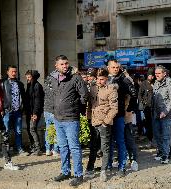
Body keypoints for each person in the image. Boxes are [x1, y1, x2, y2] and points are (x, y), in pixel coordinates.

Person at [50, 55, 88, 187]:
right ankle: (65, 171)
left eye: (66, 63)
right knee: (63, 147)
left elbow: (85, 95)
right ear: (56, 66)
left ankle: (78, 175)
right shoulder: (53, 78)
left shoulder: (75, 77)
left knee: (74, 147)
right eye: (62, 64)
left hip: (71, 118)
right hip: (58, 119)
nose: (65, 66)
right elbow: (52, 96)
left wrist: (77, 107)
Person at [86, 68, 118, 182]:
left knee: (105, 147)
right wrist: (88, 118)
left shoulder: (111, 89)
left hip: (104, 122)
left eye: (102, 79)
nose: (99, 81)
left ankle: (104, 170)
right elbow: (90, 104)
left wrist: (106, 122)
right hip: (93, 121)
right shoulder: (93, 87)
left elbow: (114, 109)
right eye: (98, 79)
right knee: (93, 147)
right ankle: (90, 169)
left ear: (106, 79)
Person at [107, 59, 137, 177]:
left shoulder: (123, 80)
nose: (115, 69)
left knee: (121, 141)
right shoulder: (104, 79)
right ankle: (108, 165)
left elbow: (133, 94)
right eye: (113, 67)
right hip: (106, 117)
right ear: (108, 68)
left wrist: (129, 109)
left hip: (119, 116)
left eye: (117, 67)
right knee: (107, 142)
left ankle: (122, 166)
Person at [152, 66, 171, 164]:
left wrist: (165, 112)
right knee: (157, 135)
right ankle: (160, 152)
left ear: (164, 74)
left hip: (166, 115)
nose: (156, 75)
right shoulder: (156, 83)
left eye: (158, 73)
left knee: (166, 136)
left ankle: (165, 156)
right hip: (156, 113)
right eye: (155, 74)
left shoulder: (170, 84)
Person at [1, 65, 28, 155]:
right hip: (7, 111)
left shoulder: (20, 84)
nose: (14, 73)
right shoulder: (3, 83)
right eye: (12, 71)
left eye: (15, 72)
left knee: (18, 130)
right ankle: (6, 149)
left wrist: (23, 108)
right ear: (7, 72)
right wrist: (2, 109)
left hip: (18, 111)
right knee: (6, 130)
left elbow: (24, 97)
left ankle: (19, 148)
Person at [25, 70, 44, 155]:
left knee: (32, 128)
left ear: (33, 77)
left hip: (35, 112)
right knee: (30, 129)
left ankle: (38, 148)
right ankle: (34, 147)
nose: (27, 79)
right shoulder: (30, 85)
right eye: (27, 77)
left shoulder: (37, 86)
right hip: (29, 111)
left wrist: (35, 113)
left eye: (29, 77)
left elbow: (38, 101)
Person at [43, 70, 59, 156]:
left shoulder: (46, 83)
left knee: (48, 130)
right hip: (55, 110)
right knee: (57, 130)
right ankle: (55, 149)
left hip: (47, 109)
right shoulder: (57, 84)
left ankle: (47, 149)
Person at [139, 69, 155, 148]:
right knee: (148, 125)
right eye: (149, 75)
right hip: (147, 108)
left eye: (152, 75)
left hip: (155, 108)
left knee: (155, 125)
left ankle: (155, 141)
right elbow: (140, 95)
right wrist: (143, 103)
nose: (151, 77)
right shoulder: (143, 84)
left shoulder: (155, 83)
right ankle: (150, 141)